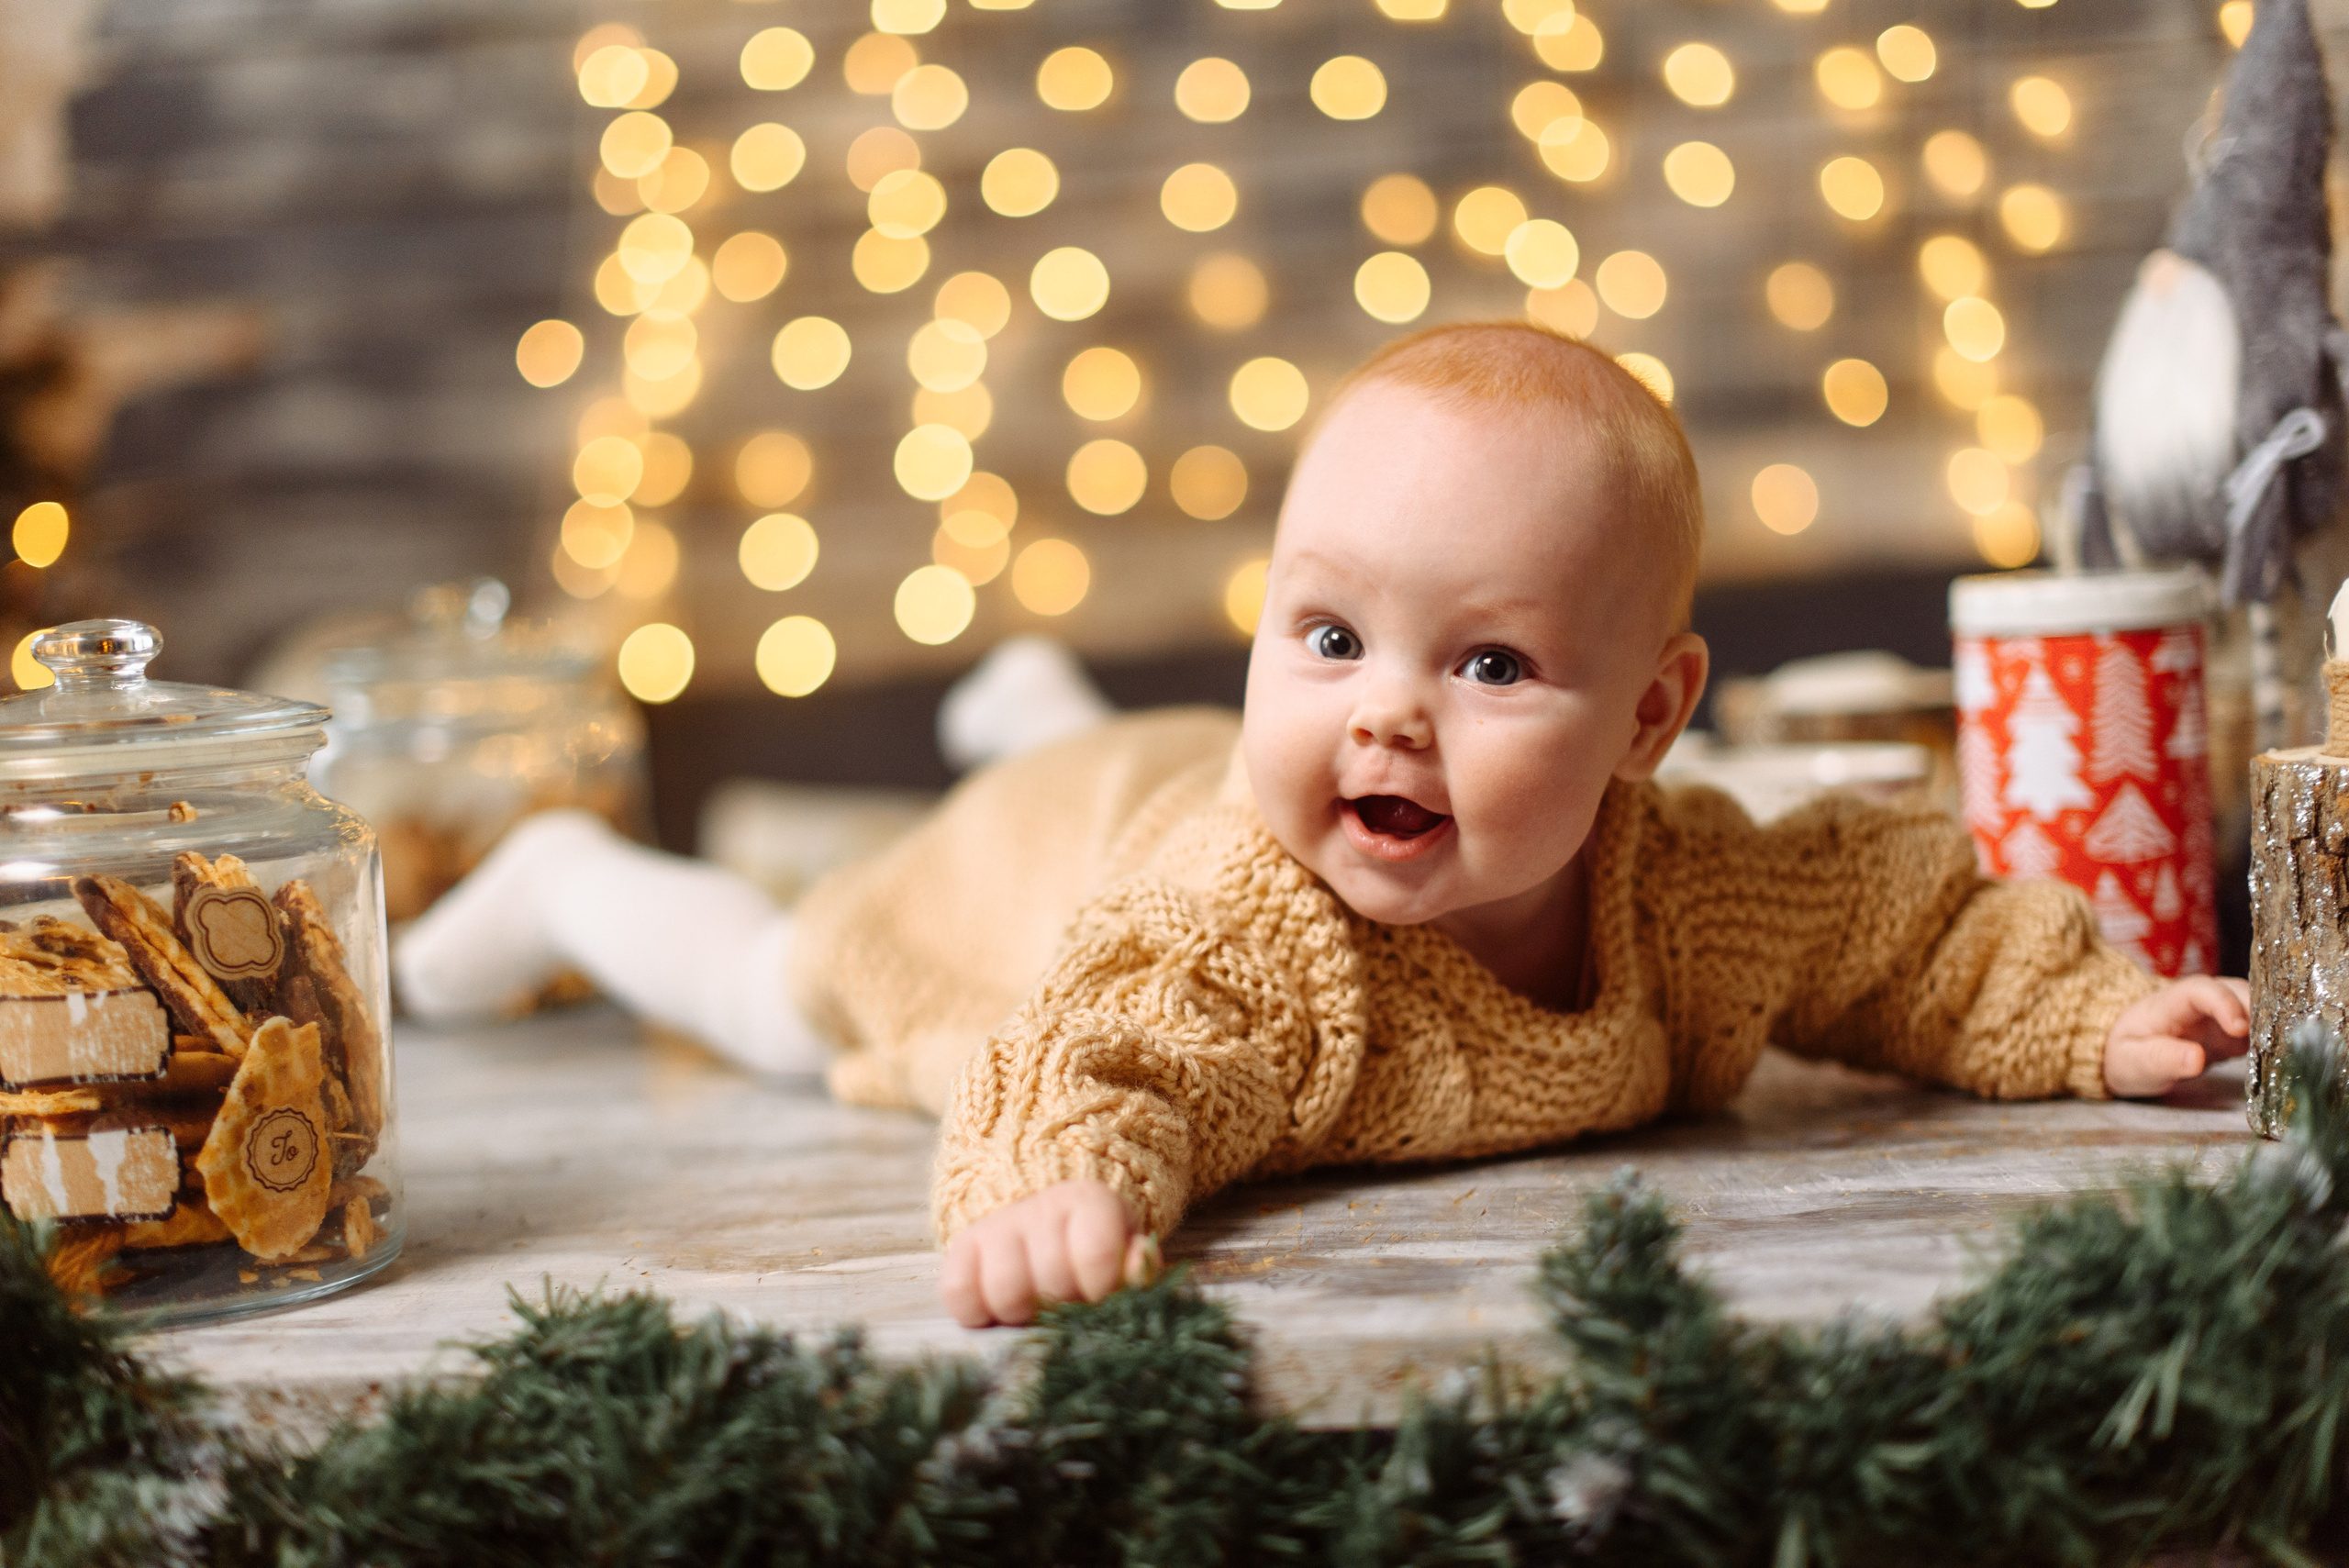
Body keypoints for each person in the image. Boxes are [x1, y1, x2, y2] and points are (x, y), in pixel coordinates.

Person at [396, 322, 2251, 1331]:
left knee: (1215, 752)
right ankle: (570, 882)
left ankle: (1036, 699)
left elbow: (1887, 917)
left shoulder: (1683, 891)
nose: (1387, 705)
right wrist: (1059, 1187)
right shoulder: (1242, 941)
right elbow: (1103, 1043)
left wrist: (2072, 1013)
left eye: (1492, 664)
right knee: (788, 983)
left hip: (1198, 764)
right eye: (1333, 632)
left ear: (1650, 721)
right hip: (1055, 864)